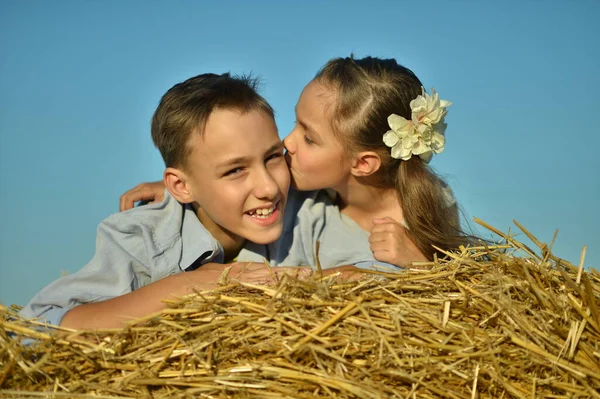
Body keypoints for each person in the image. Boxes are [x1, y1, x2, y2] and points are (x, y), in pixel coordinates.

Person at [19, 72, 341, 330]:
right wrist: (191, 284)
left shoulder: (307, 210)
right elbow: (35, 327)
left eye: (272, 157)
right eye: (236, 170)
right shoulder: (142, 239)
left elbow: (379, 274)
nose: (268, 187)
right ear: (180, 186)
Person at [120, 56, 470, 271]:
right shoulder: (296, 194)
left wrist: (420, 266)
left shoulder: (430, 208)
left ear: (363, 164)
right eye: (295, 122)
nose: (287, 142)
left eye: (309, 137)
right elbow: (230, 173)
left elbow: (465, 304)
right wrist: (186, 192)